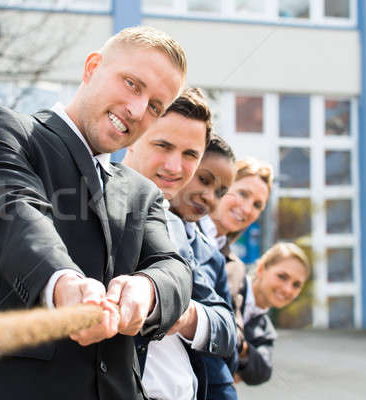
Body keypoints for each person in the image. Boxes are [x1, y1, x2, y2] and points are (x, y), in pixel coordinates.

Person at [0, 26, 194, 400]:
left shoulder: (143, 193)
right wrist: (64, 284)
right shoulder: (0, 132)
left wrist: (148, 289)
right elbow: (15, 216)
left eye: (156, 106)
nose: (139, 110)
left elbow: (174, 268)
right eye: (132, 84)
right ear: (92, 67)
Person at [123, 88, 236, 400]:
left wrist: (184, 317)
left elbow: (226, 330)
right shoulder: (92, 207)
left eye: (190, 155)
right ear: (133, 136)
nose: (175, 167)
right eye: (163, 146)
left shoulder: (184, 234)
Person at [170, 136, 241, 399]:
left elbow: (229, 337)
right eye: (204, 179)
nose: (210, 196)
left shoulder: (213, 256)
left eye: (221, 192)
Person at [200, 157, 276, 385]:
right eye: (243, 194)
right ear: (223, 185)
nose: (247, 209)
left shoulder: (236, 269)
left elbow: (237, 341)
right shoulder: (183, 229)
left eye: (257, 205)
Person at [234, 242, 310, 384]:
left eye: (296, 285)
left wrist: (240, 347)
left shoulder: (266, 332)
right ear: (261, 269)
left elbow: (262, 373)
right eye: (282, 276)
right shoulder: (230, 284)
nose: (287, 289)